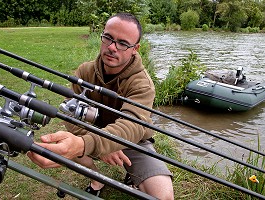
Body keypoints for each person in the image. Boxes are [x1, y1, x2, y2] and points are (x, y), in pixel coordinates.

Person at [27, 12, 174, 199]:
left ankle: (133, 173)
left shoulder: (142, 83)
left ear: (135, 48)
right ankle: (96, 178)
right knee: (70, 143)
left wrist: (96, 144)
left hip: (132, 140)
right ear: (102, 36)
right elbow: (68, 110)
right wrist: (89, 143)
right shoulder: (84, 71)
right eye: (108, 38)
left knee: (163, 196)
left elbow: (133, 125)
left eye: (123, 43)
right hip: (91, 132)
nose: (112, 47)